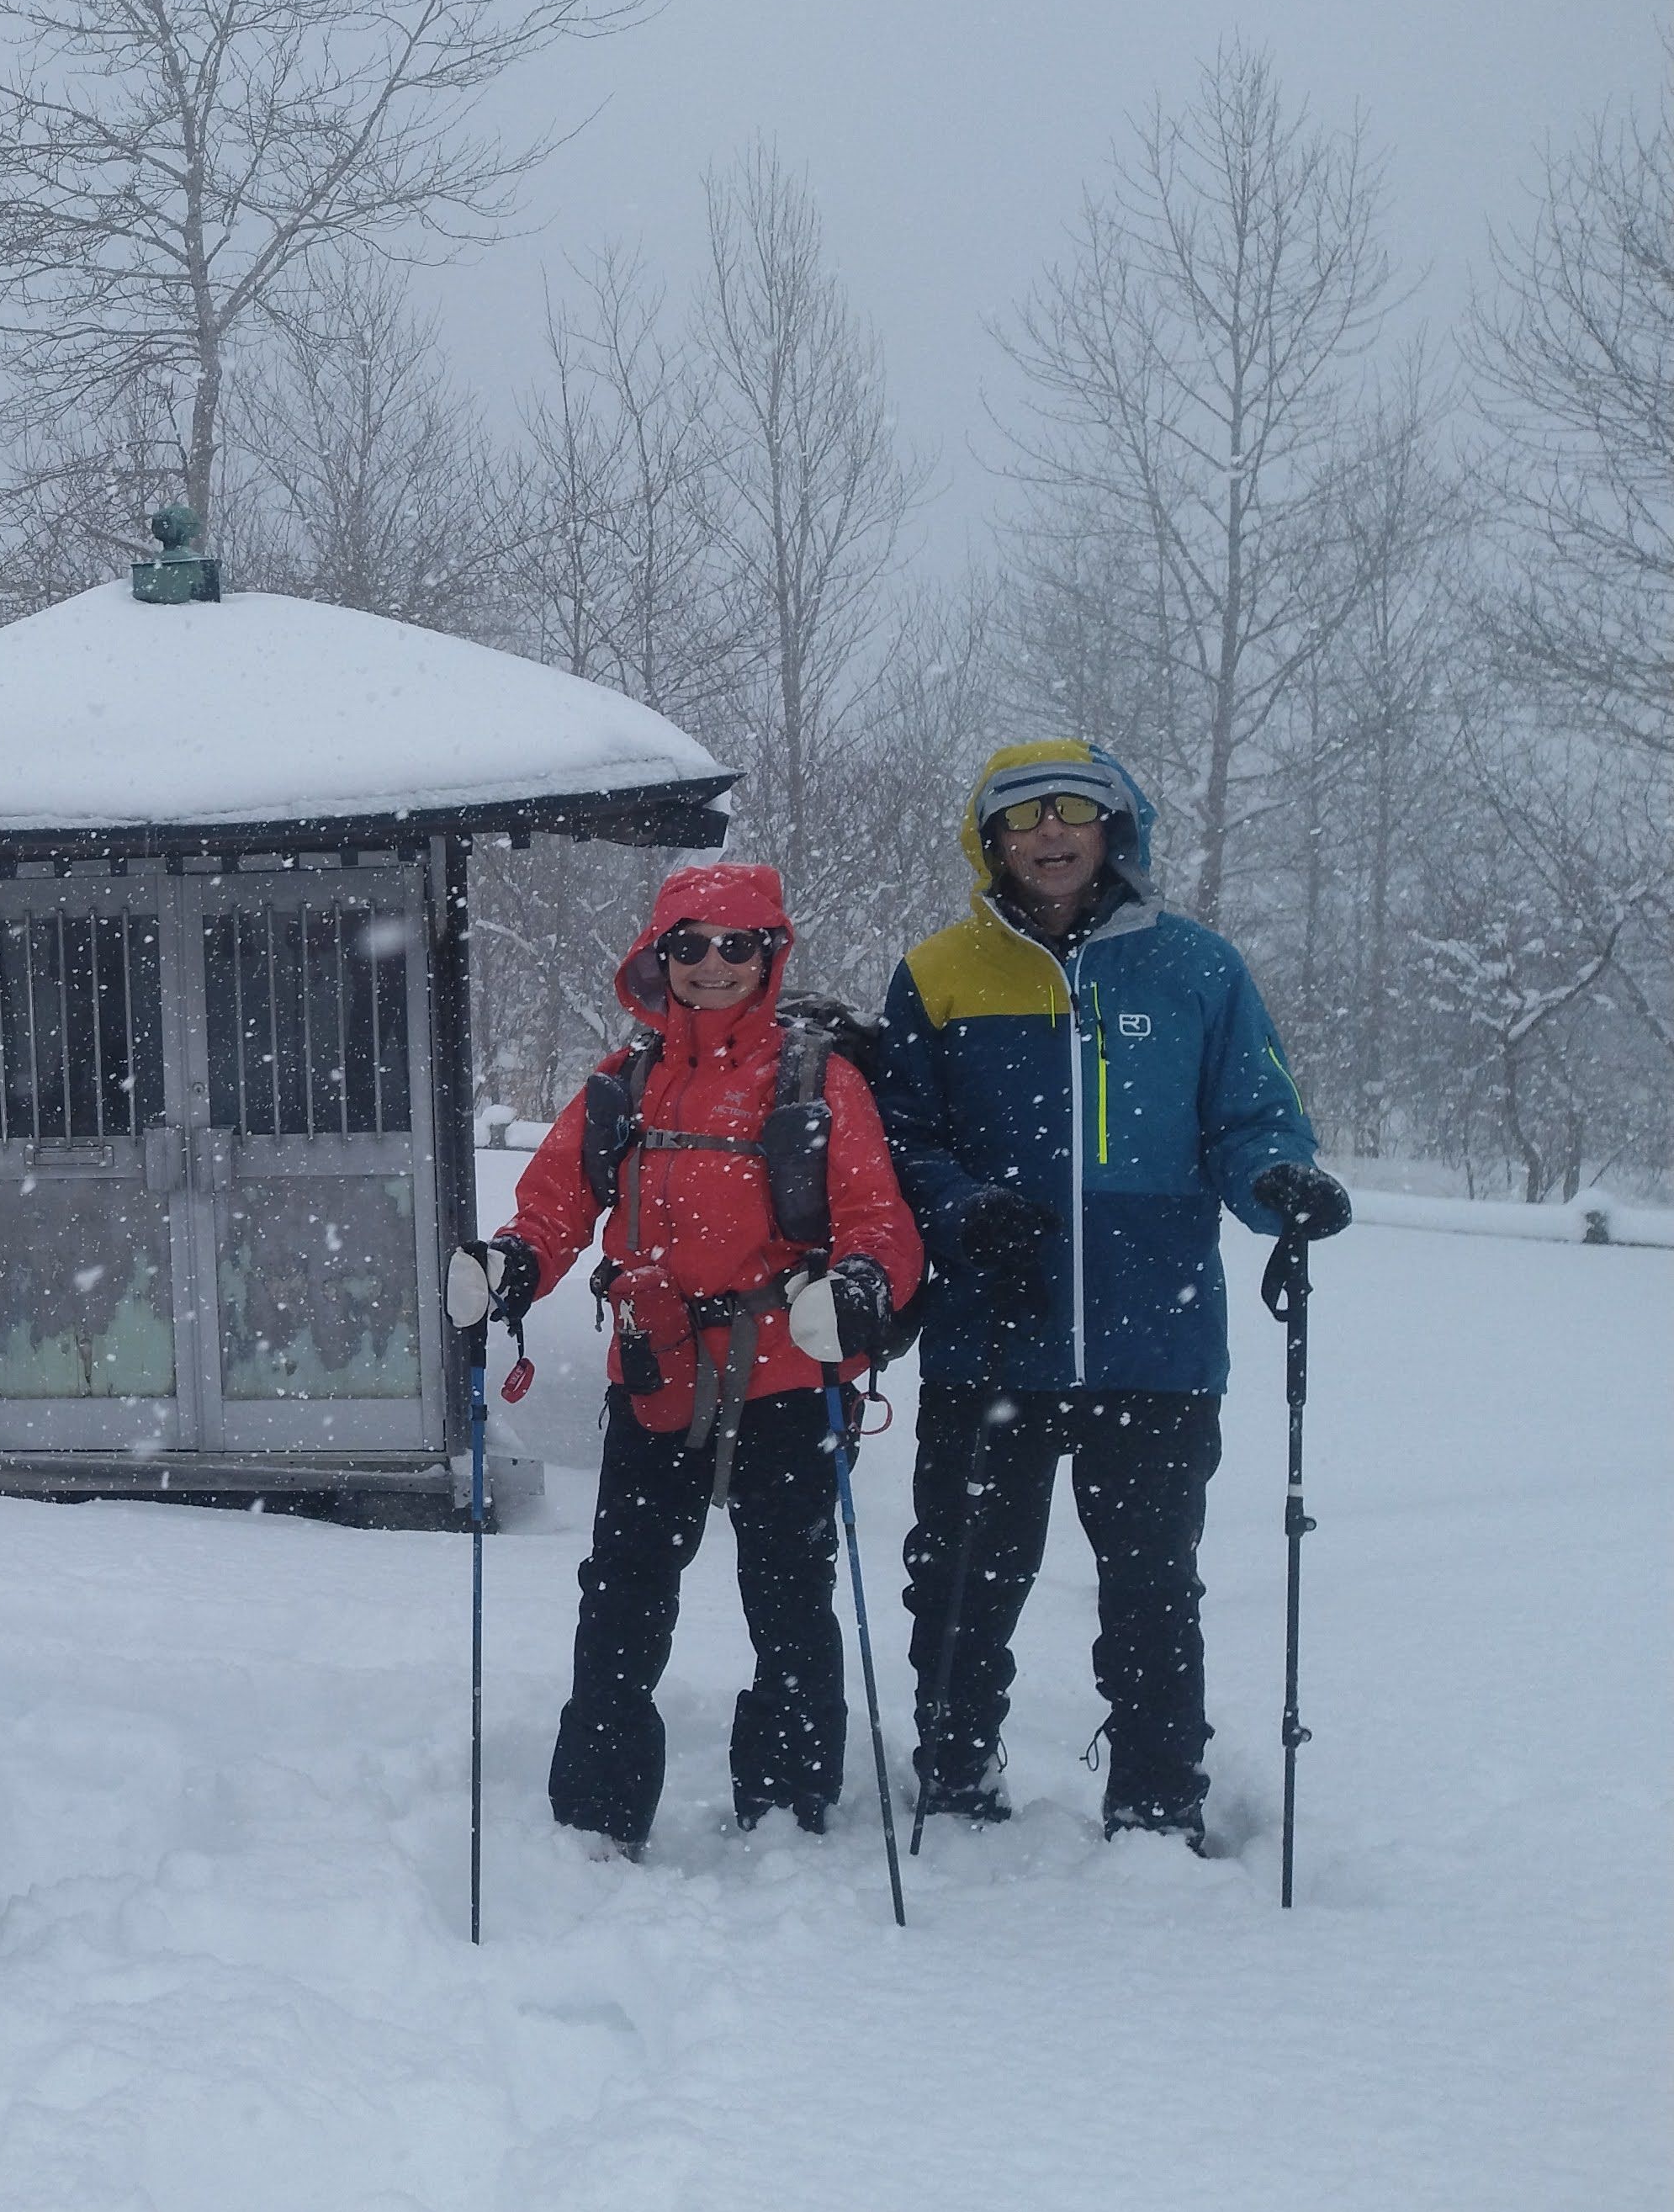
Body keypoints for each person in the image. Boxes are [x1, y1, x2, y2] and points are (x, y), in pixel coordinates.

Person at [871, 742, 1349, 1850]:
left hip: (1156, 1335)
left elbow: (1251, 1118)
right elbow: (900, 1137)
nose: (1048, 832)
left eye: (1072, 811)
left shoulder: (1197, 970)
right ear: (988, 841)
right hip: (994, 1330)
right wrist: (962, 1206)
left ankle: (1157, 1795)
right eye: (1021, 816)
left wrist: (1279, 1180)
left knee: (1150, 1591)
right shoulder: (940, 973)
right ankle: (954, 1773)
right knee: (961, 1583)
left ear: (1114, 828)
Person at [469, 863, 924, 1859]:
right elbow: (554, 1206)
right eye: (688, 947)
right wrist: (513, 1264)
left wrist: (854, 1291)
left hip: (789, 1379)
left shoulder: (816, 1081)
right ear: (655, 959)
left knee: (788, 1596)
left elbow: (878, 1224)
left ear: (770, 956)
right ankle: (594, 1815)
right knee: (623, 1590)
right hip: (654, 1367)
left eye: (735, 947)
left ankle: (788, 1810)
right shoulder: (620, 1082)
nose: (710, 966)